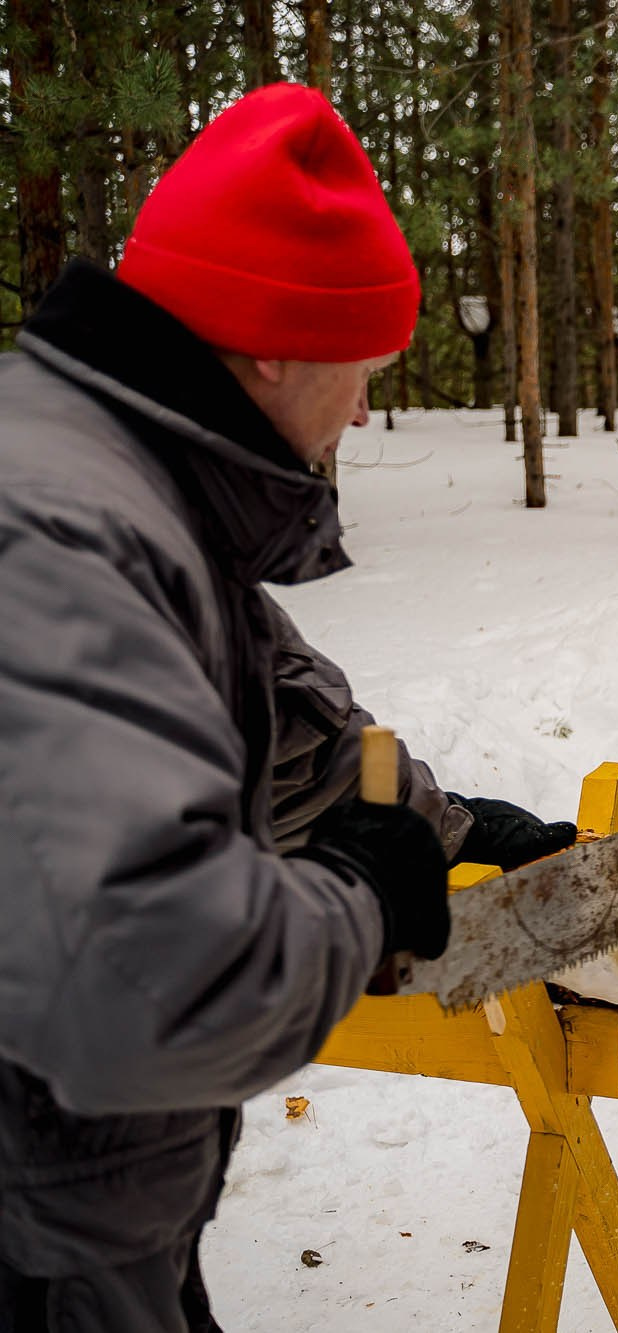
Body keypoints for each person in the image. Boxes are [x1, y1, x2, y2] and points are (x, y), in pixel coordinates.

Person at [0, 86, 574, 1330]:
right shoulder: (58, 533)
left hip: (76, 1213)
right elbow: (153, 988)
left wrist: (452, 825)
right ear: (271, 346)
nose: (365, 410)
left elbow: (268, 718)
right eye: (365, 370)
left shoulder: (120, 486)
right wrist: (364, 903)